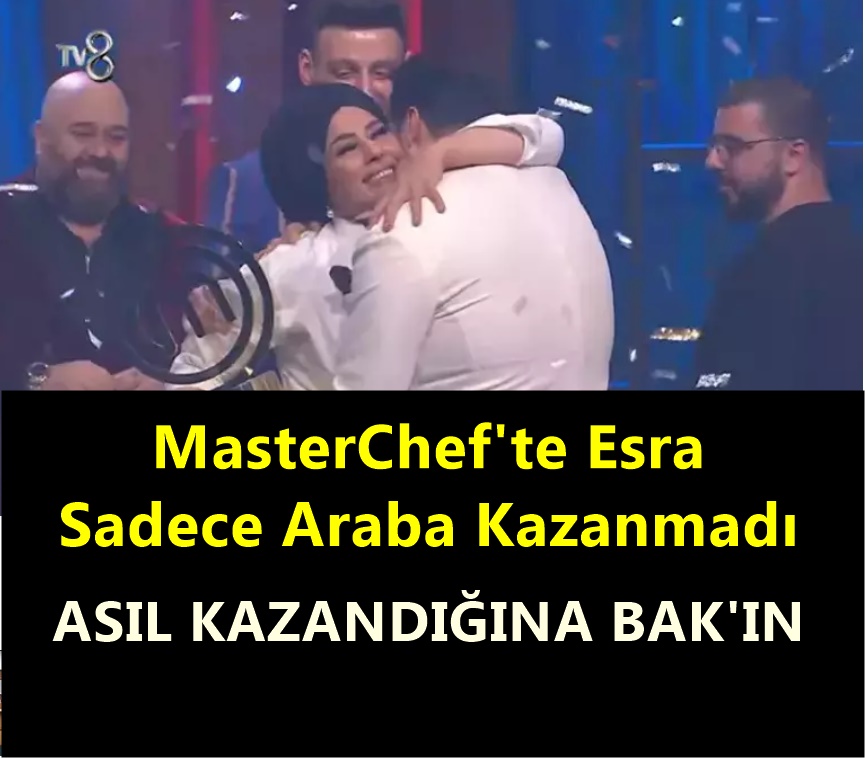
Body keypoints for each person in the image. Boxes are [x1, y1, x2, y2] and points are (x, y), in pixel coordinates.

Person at [172, 81, 566, 390]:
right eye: (347, 149)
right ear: (318, 179)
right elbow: (192, 373)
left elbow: (546, 137)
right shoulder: (291, 266)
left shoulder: (445, 209)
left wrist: (443, 153)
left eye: (378, 133)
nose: (374, 151)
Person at [331, 57, 615, 390]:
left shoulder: (403, 231)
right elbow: (546, 135)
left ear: (411, 125)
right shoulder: (555, 182)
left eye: (384, 132)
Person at [0, 72, 187, 391]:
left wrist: (169, 382)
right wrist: (36, 380)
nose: (100, 151)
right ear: (41, 138)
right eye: (82, 133)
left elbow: (203, 354)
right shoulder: (7, 222)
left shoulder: (160, 236)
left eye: (116, 137)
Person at [696, 78, 862, 391]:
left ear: (794, 155)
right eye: (714, 147)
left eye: (732, 147)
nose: (712, 162)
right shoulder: (853, 253)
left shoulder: (758, 276)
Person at [206, 0, 408, 253]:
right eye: (344, 73)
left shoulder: (434, 166)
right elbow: (216, 278)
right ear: (307, 69)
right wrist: (270, 266)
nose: (365, 90)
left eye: (382, 73)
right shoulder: (246, 185)